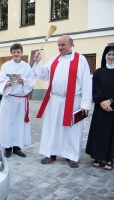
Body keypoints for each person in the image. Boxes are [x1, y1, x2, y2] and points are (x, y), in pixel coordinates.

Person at [32, 35, 92, 168]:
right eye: (58, 45)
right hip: (55, 100)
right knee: (52, 127)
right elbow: (43, 75)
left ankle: (71, 156)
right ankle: (50, 153)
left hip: (73, 101)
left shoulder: (80, 60)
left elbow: (87, 82)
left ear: (71, 44)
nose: (60, 48)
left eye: (63, 45)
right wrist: (38, 62)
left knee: (72, 129)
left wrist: (85, 104)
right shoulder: (55, 59)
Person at [85, 45, 114, 170]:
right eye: (109, 54)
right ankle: (97, 157)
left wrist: (110, 101)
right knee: (99, 132)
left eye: (113, 55)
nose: (111, 57)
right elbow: (95, 90)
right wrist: (102, 103)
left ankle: (109, 159)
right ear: (105, 56)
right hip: (101, 108)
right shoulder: (99, 72)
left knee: (112, 132)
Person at [0, 43, 36, 158]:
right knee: (8, 123)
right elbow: (0, 81)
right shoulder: (6, 66)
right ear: (11, 53)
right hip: (9, 99)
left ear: (21, 53)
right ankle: (7, 148)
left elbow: (32, 80)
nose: (16, 54)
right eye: (14, 52)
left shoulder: (26, 67)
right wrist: (6, 83)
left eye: (18, 52)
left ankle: (17, 148)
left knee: (19, 125)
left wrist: (24, 81)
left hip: (21, 100)